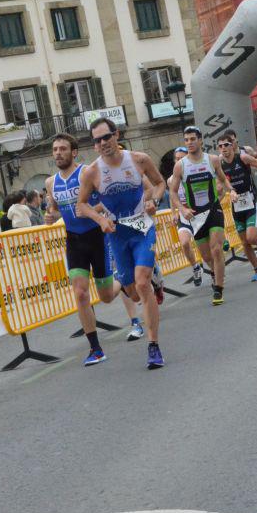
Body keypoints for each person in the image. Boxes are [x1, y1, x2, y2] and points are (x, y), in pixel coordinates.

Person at [76, 119, 168, 370]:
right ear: (94, 145)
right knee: (134, 292)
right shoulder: (92, 172)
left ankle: (153, 346)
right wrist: (100, 220)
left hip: (142, 228)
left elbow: (160, 183)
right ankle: (155, 283)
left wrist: (154, 201)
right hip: (117, 234)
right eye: (97, 140)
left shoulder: (139, 159)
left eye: (106, 137)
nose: (103, 143)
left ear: (116, 135)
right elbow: (81, 205)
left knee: (142, 283)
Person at [44, 134, 133, 366]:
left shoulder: (87, 172)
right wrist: (50, 215)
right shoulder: (50, 182)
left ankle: (122, 280)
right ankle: (95, 348)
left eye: (63, 149)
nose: (58, 153)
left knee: (105, 297)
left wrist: (91, 209)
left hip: (97, 238)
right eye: (55, 149)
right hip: (74, 240)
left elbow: (108, 199)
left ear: (74, 152)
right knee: (80, 293)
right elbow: (54, 208)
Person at [168, 125, 233, 305]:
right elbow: (172, 192)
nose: (189, 143)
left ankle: (218, 289)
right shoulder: (180, 166)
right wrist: (182, 210)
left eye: (192, 139)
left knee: (216, 249)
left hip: (213, 209)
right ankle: (215, 272)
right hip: (195, 215)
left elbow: (222, 179)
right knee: (206, 256)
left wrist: (231, 190)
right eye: (186, 140)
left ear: (200, 140)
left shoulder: (212, 160)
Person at [218, 131, 257, 282]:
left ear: (232, 145)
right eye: (220, 146)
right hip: (236, 206)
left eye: (226, 145)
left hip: (250, 201)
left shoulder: (242, 157)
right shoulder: (219, 163)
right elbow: (220, 184)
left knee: (251, 237)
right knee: (244, 242)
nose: (223, 148)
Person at [169, 146, 207, 286]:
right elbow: (173, 196)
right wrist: (174, 213)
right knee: (185, 243)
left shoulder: (195, 173)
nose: (178, 161)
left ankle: (215, 272)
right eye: (176, 159)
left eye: (181, 158)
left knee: (205, 248)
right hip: (184, 215)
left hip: (199, 214)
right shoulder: (171, 179)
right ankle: (196, 267)